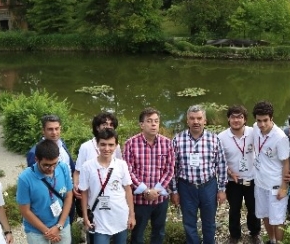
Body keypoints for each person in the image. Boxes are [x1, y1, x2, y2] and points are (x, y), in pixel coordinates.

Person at [170, 105, 228, 244]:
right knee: (189, 223)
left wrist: (222, 189)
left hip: (208, 186)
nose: (196, 121)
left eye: (199, 118)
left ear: (205, 121)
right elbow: (172, 168)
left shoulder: (214, 139)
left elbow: (221, 165)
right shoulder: (177, 140)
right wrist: (174, 191)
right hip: (186, 187)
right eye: (192, 118)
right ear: (187, 121)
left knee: (209, 223)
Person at [123, 108, 175, 244]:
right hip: (140, 199)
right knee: (138, 233)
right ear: (142, 125)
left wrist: (156, 190)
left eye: (156, 121)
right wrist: (145, 190)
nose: (153, 124)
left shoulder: (167, 143)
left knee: (159, 231)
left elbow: (170, 169)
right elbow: (128, 171)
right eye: (149, 121)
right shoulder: (131, 144)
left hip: (160, 199)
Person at [80, 128, 136, 244]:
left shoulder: (121, 165)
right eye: (103, 144)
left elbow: (128, 190)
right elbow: (84, 192)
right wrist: (85, 216)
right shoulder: (87, 166)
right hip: (99, 218)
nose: (107, 149)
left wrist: (131, 215)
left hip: (120, 216)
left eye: (111, 145)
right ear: (97, 144)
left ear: (116, 146)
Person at [74, 112, 122, 243]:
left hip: (111, 196)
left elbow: (120, 170)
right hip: (92, 196)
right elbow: (77, 171)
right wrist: (76, 186)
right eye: (104, 124)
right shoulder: (86, 147)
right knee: (94, 230)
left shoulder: (116, 146)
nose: (108, 127)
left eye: (111, 124)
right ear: (96, 127)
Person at [218, 105, 261, 244]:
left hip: (252, 178)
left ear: (245, 119)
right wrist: (229, 172)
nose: (236, 120)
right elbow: (218, 160)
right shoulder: (221, 137)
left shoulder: (254, 132)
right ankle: (234, 235)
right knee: (234, 209)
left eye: (240, 117)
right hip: (233, 181)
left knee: (254, 208)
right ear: (228, 119)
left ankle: (255, 233)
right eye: (233, 117)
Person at [17, 140, 73, 244]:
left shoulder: (63, 168)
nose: (51, 168)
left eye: (54, 164)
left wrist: (59, 226)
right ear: (36, 159)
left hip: (62, 225)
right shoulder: (25, 179)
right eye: (46, 165)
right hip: (36, 231)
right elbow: (25, 211)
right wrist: (47, 232)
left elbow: (68, 196)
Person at [251, 101, 290, 244]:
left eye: (265, 120)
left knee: (277, 218)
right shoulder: (255, 128)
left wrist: (284, 187)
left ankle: (278, 242)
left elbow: (286, 163)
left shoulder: (280, 137)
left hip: (275, 184)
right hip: (260, 182)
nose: (262, 124)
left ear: (271, 118)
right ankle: (272, 240)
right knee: (265, 214)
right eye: (259, 120)